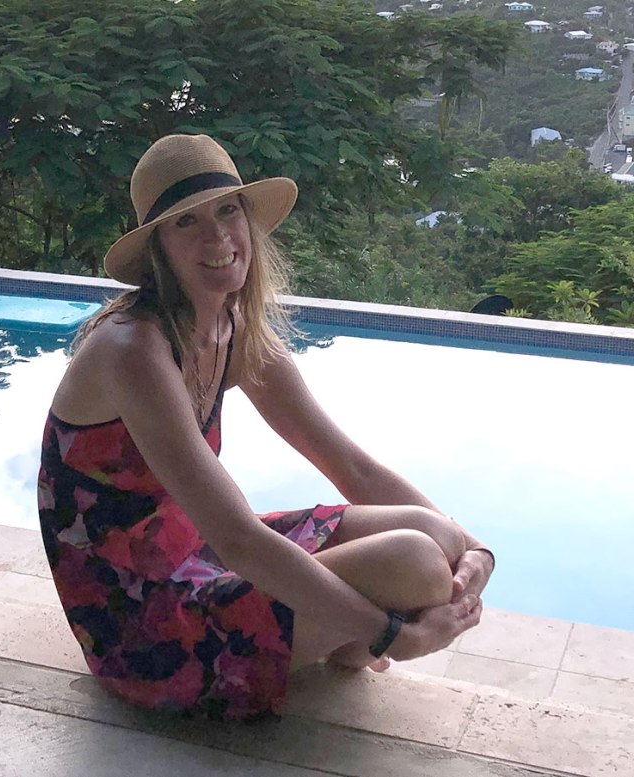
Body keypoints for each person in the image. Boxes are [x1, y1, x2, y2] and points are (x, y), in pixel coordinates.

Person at [38, 134, 494, 720]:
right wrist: (391, 634)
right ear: (158, 248)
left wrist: (474, 549)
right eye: (187, 222)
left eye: (228, 211)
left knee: (433, 533)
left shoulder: (232, 328)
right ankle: (348, 636)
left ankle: (338, 636)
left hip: (203, 555)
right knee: (415, 562)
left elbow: (350, 465)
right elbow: (237, 538)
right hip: (144, 624)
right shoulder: (133, 350)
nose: (217, 237)